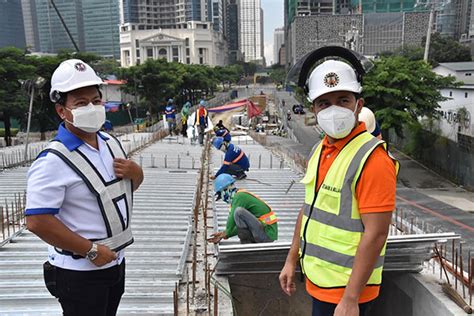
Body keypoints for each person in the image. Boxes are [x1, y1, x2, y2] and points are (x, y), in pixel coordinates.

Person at [279, 53, 398, 316]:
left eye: (343, 100)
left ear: (358, 105)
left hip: (348, 291)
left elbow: (377, 233)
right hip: (319, 282)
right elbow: (309, 208)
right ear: (314, 110)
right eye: (324, 103)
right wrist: (291, 259)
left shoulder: (373, 159)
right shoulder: (320, 150)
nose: (333, 110)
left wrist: (351, 298)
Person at [25, 59, 144, 315]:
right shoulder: (52, 161)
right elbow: (37, 221)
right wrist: (90, 251)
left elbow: (118, 194)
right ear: (61, 111)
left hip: (115, 262)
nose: (91, 107)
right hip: (79, 272)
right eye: (80, 103)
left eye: (96, 101)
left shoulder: (110, 143)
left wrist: (137, 174)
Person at [208, 174, 278, 244]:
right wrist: (224, 234)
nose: (223, 199)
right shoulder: (238, 197)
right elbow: (240, 225)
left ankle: (245, 243)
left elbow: (231, 218)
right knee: (238, 213)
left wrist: (226, 232)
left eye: (221, 195)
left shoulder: (240, 197)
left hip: (267, 234)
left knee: (239, 212)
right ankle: (247, 242)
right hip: (262, 232)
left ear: (225, 189)